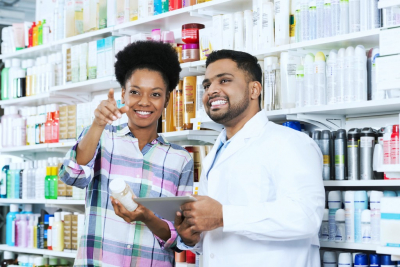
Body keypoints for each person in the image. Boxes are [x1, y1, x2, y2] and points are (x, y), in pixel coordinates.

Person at [174, 50, 325, 266]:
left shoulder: (290, 142)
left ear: (254, 89)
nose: (212, 90)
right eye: (207, 86)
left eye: (224, 80)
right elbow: (217, 237)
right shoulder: (216, 154)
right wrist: (193, 237)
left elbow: (306, 216)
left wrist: (224, 216)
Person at [59, 41, 193, 267]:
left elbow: (181, 237)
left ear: (167, 99)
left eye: (156, 94)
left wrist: (147, 218)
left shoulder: (180, 159)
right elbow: (71, 174)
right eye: (135, 92)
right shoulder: (101, 137)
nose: (144, 102)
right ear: (123, 94)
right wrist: (98, 123)